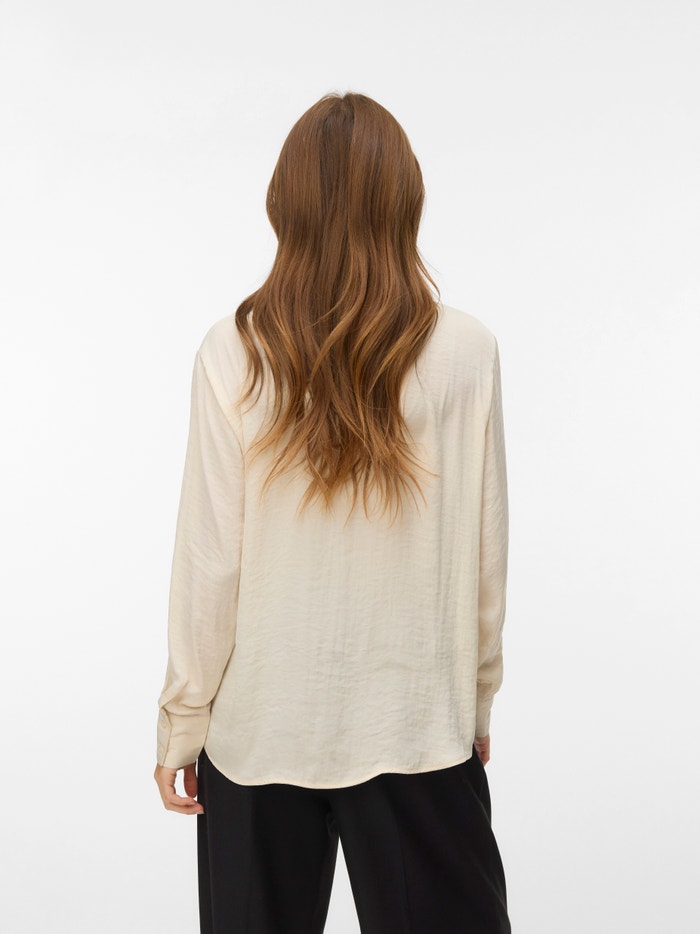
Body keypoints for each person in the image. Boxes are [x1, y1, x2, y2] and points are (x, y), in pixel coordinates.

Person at [153, 91, 511, 934]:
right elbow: (485, 550)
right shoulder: (465, 350)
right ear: (405, 197)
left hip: (260, 731)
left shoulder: (234, 350)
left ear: (286, 200)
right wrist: (475, 698)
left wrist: (183, 720)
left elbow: (210, 560)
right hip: (415, 722)